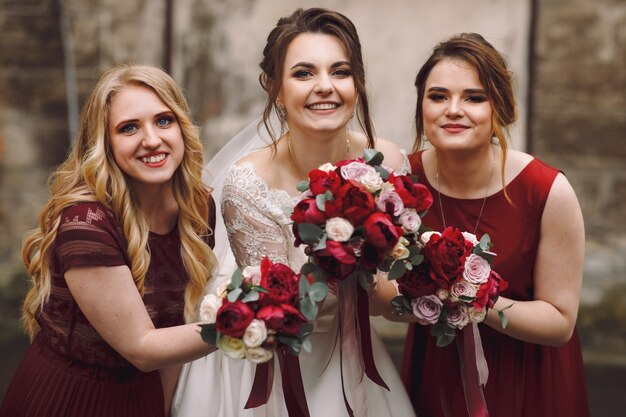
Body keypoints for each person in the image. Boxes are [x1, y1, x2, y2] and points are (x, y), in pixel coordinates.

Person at [172, 8, 416, 417]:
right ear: (276, 89)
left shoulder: (386, 161)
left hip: (350, 342)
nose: (325, 87)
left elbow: (389, 298)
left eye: (340, 72)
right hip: (276, 354)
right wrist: (338, 258)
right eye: (303, 74)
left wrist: (431, 294)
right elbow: (284, 315)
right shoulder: (248, 182)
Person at [0, 64, 219, 417]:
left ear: (182, 128)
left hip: (144, 395)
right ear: (105, 143)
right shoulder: (86, 225)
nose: (151, 139)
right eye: (129, 127)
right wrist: (244, 324)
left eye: (164, 120)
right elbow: (143, 348)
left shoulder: (197, 208)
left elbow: (176, 327)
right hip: (73, 400)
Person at [397, 33, 589, 417]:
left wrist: (470, 296)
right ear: (421, 107)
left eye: (474, 97)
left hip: (527, 376)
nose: (453, 109)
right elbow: (385, 297)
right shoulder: (401, 182)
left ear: (499, 107)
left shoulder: (546, 191)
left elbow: (560, 322)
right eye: (438, 97)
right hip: (435, 368)